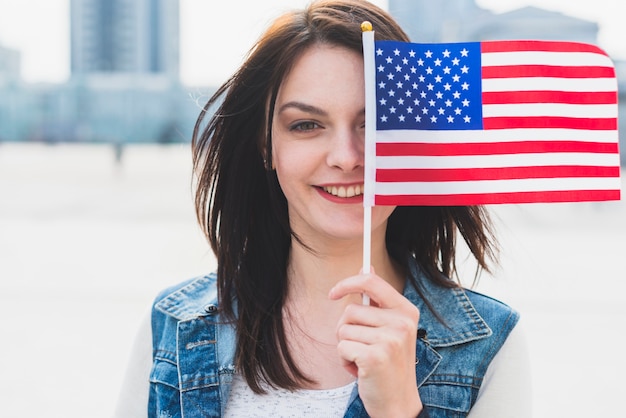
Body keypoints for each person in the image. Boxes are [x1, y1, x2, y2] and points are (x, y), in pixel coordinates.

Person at [115, 1, 531, 416]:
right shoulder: (173, 327)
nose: (346, 157)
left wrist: (399, 408)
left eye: (374, 124)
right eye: (306, 125)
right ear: (267, 146)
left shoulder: (488, 345)